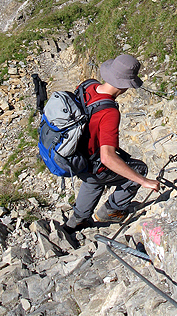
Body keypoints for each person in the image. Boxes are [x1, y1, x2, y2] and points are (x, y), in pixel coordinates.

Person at [65, 54, 160, 230]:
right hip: (93, 164)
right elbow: (107, 158)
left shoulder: (88, 85)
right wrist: (143, 181)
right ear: (126, 85)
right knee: (139, 169)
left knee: (93, 179)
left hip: (76, 158)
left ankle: (76, 222)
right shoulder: (109, 112)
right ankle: (112, 211)